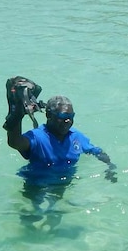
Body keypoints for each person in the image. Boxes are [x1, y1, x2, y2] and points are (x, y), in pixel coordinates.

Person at [6, 95, 116, 226]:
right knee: (31, 213)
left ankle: (52, 240)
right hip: (36, 181)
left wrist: (110, 166)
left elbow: (97, 151)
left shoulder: (76, 136)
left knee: (56, 213)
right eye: (62, 117)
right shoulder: (37, 136)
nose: (68, 121)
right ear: (49, 115)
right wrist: (16, 114)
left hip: (63, 182)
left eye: (71, 117)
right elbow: (14, 142)